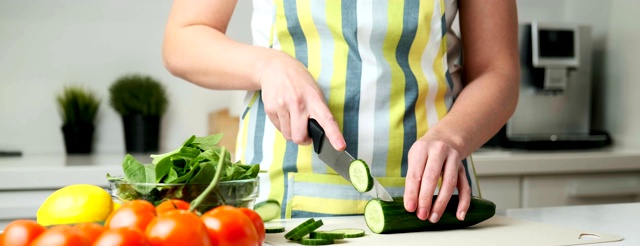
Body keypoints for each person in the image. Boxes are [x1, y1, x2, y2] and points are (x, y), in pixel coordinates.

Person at [162, 0, 520, 221]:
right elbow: (183, 39)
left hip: (433, 202)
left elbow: (498, 72)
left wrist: (451, 135)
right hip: (283, 202)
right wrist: (267, 66)